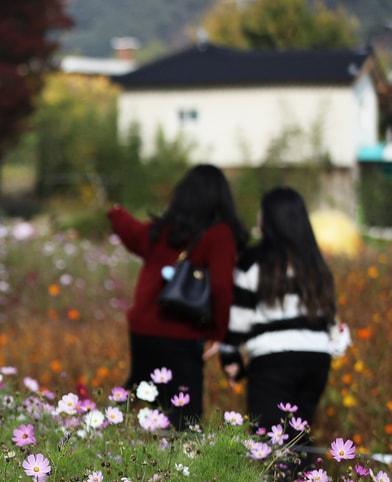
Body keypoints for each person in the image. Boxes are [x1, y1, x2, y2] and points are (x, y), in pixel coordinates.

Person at [108, 164, 247, 429]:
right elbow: (221, 288)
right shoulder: (219, 235)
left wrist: (116, 212)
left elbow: (133, 234)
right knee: (184, 417)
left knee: (144, 403)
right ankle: (172, 466)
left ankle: (105, 432)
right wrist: (218, 334)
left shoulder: (162, 231)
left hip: (143, 331)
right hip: (182, 334)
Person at [216, 186, 339, 448]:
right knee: (298, 438)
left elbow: (239, 316)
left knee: (268, 443)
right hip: (316, 360)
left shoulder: (254, 260)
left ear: (269, 219)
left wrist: (230, 356)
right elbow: (329, 315)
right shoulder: (314, 262)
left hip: (273, 360)